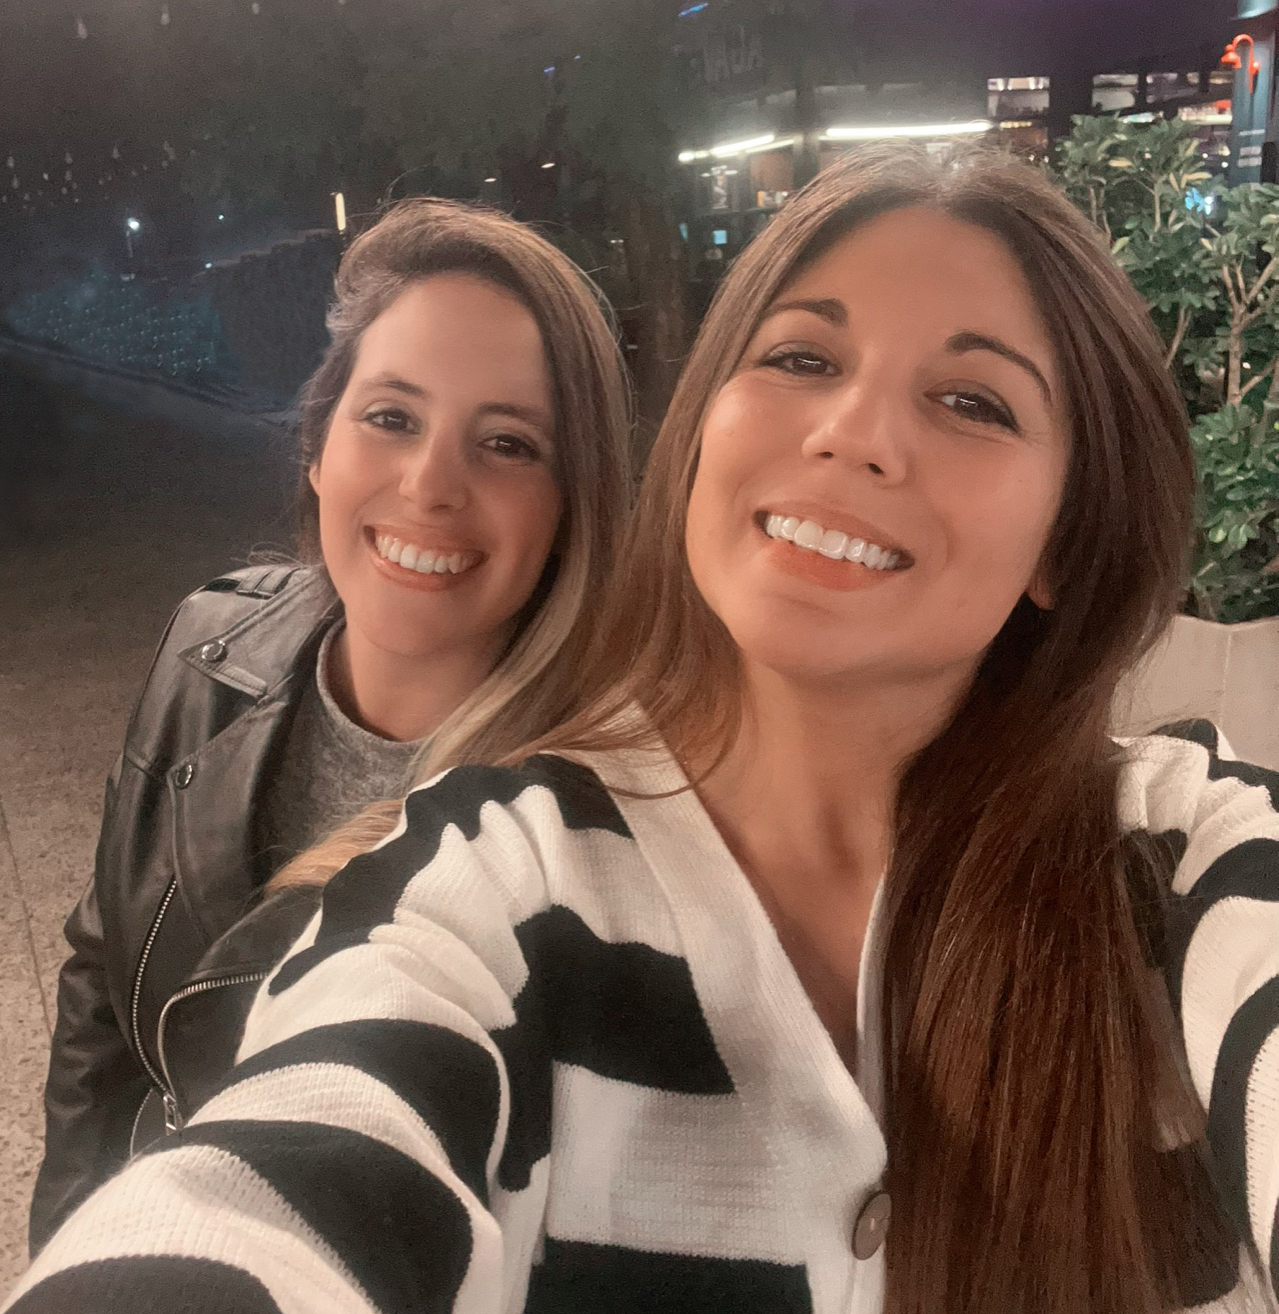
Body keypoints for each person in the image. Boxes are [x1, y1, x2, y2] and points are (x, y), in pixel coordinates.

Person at [10, 146, 1279, 1314]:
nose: (851, 433)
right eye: (801, 358)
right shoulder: (491, 870)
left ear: (1067, 535)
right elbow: (268, 1142)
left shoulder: (1182, 855)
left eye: (972, 400)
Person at [27, 197, 633, 1255]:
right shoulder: (206, 646)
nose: (430, 486)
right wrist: (74, 1240)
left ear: (569, 509)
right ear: (316, 446)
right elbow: (103, 966)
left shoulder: (605, 815)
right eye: (391, 417)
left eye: (506, 443)